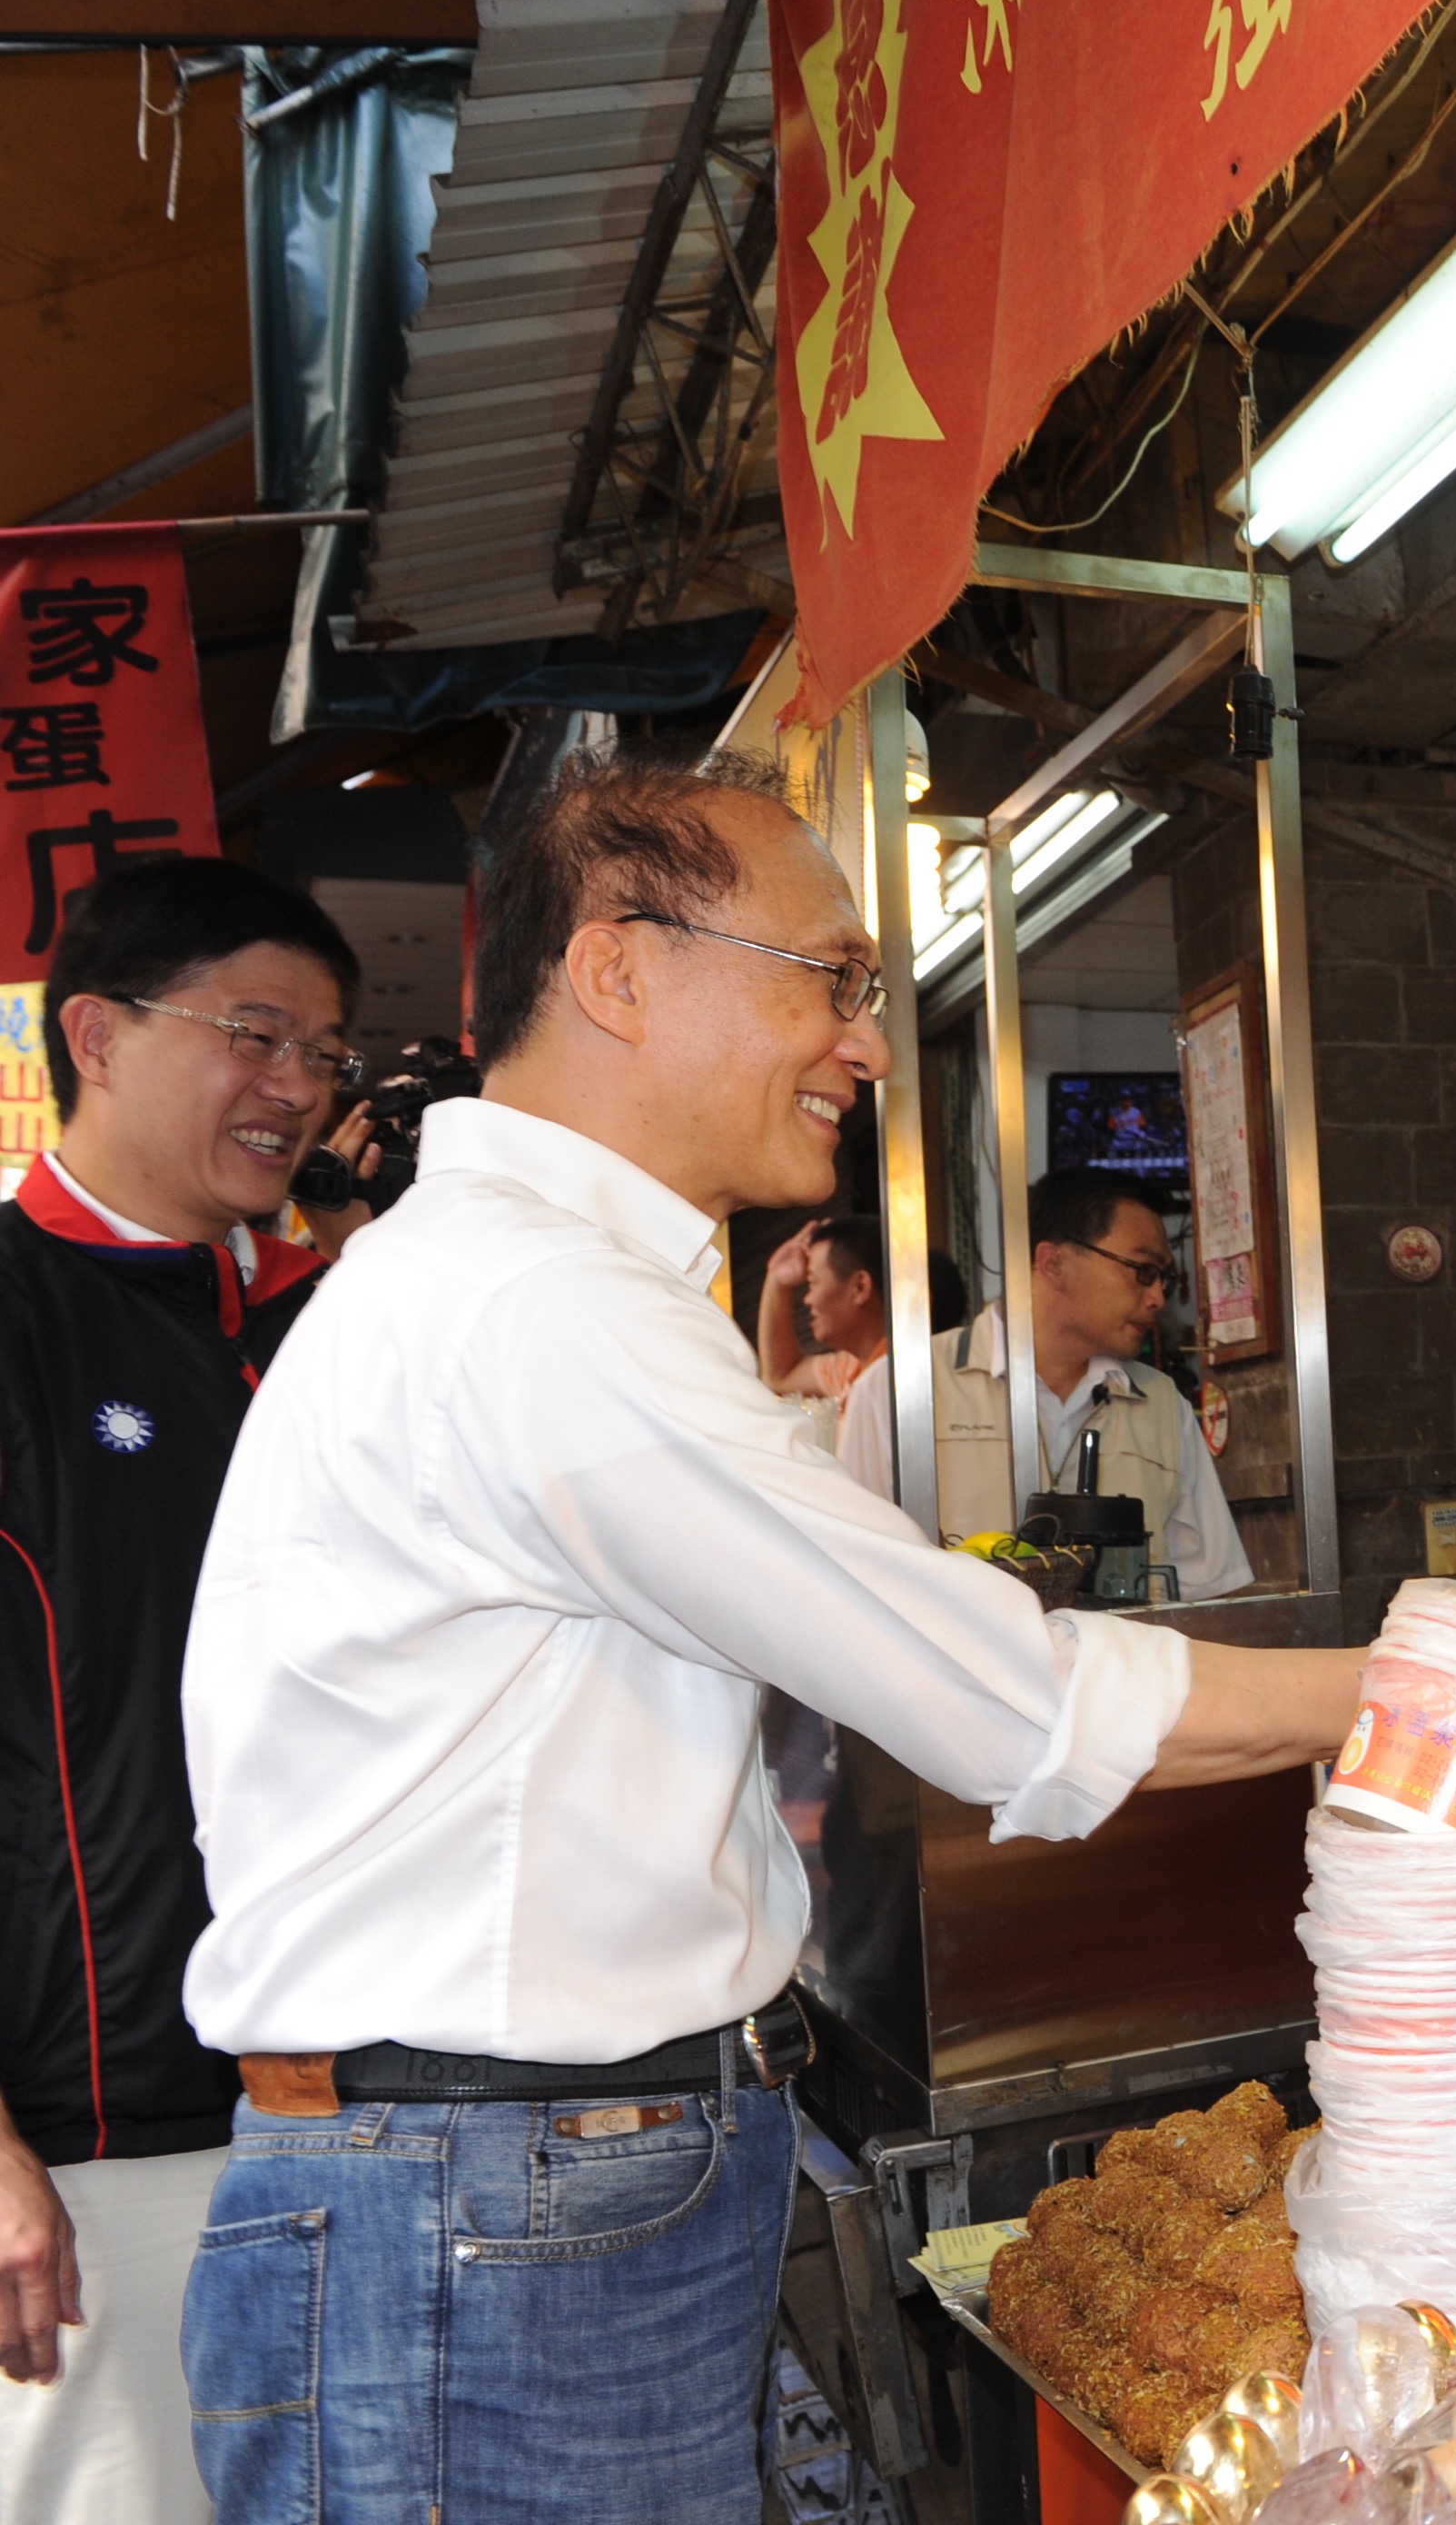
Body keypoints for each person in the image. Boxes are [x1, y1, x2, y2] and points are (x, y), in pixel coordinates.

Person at [174, 747, 1365, 2523]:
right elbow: (1003, 1695)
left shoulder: (520, 1285)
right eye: (830, 981)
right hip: (494, 2205)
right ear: (618, 970)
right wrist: (1442, 1676)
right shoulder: (535, 1306)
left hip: (512, 2185)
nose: (869, 1046)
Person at [0, 864, 359, 2525]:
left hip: (367, 2100)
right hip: (94, 2137)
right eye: (253, 1033)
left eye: (325, 1052)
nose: (294, 1085)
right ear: (95, 1031)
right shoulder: (15, 1317)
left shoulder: (326, 1332)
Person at [840, 1167, 1253, 1600]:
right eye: (1142, 1270)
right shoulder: (902, 1389)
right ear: (1053, 1263)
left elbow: (1208, 1592)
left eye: (1162, 1277)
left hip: (1116, 1668)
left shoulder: (1163, 1406)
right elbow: (854, 1575)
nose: (1157, 1298)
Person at [753, 1214, 945, 1451]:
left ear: (860, 1287)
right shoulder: (852, 1368)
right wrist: (777, 1281)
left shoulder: (910, 1382)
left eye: (812, 1282)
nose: (808, 1299)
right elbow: (781, 1376)